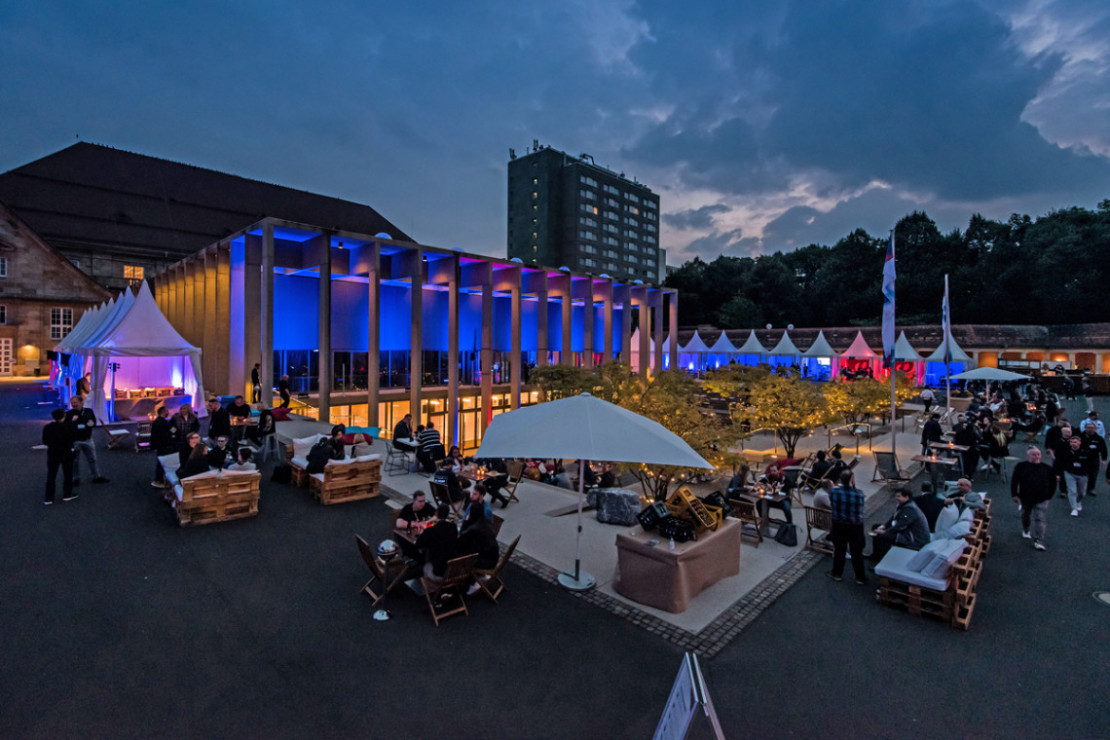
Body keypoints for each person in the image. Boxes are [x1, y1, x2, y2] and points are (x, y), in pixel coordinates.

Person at [867, 487, 931, 562]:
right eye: (896, 496)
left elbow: (900, 526)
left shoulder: (910, 509)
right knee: (876, 526)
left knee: (883, 536)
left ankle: (881, 560)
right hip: (908, 532)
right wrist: (884, 526)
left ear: (906, 497)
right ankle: (875, 555)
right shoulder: (904, 505)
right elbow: (894, 517)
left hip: (914, 538)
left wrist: (885, 531)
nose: (896, 498)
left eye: (898, 496)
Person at [827, 471, 866, 585]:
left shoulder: (834, 492)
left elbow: (832, 503)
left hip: (839, 524)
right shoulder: (859, 494)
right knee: (857, 551)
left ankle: (837, 573)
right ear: (851, 480)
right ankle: (860, 576)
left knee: (839, 549)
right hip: (855, 526)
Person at [414, 504, 459, 603]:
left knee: (426, 564)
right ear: (447, 515)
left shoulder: (431, 531)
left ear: (436, 514)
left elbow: (419, 544)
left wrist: (423, 531)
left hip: (438, 571)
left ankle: (433, 593)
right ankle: (445, 591)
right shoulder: (453, 527)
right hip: (452, 569)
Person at [1012, 446, 1054, 551]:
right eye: (1033, 454)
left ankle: (1038, 540)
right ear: (1028, 455)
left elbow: (1053, 483)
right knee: (1026, 514)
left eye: (1038, 454)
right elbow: (1014, 481)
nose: (1036, 456)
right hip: (1026, 497)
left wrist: (1049, 496)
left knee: (1040, 518)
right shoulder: (1021, 467)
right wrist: (1014, 494)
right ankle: (1026, 529)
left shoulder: (1047, 468)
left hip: (1042, 498)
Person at [65, 395, 108, 485]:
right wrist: (72, 421)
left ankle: (96, 476)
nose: (74, 405)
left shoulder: (88, 412)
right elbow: (66, 427)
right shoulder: (69, 414)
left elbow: (94, 422)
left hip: (87, 439)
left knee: (92, 459)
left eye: (75, 403)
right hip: (75, 440)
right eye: (72, 403)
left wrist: (91, 424)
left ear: (81, 402)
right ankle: (75, 478)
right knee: (75, 461)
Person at [458, 504, 500, 593]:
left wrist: (466, 522)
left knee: (463, 554)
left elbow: (462, 541)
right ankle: (481, 575)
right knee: (473, 547)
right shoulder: (486, 522)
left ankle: (472, 583)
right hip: (493, 557)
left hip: (486, 562)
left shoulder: (474, 529)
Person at [43, 408, 76, 504]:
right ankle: (67, 494)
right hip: (66, 453)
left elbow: (45, 441)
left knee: (51, 475)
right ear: (64, 416)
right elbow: (73, 438)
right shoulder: (68, 426)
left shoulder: (48, 427)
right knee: (68, 474)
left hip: (53, 453)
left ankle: (49, 498)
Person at [1058, 434, 1093, 517]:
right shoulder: (1066, 452)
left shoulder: (1086, 453)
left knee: (1082, 492)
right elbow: (1060, 462)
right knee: (1072, 491)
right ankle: (1074, 508)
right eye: (1072, 442)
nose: (1073, 443)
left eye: (1075, 442)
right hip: (1070, 473)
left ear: (1079, 443)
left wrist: (1089, 473)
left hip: (1083, 475)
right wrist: (1059, 473)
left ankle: (1078, 501)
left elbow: (1091, 464)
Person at [1079, 421, 1106, 496]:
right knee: (1081, 474)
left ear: (1095, 429)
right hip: (1081, 459)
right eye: (1088, 428)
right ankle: (1080, 487)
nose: (1090, 429)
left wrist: (1104, 459)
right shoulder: (1079, 437)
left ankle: (1090, 488)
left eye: (1092, 428)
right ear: (1085, 428)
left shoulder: (1099, 439)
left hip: (1093, 459)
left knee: (1093, 475)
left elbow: (1103, 449)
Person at [150, 405, 176, 488]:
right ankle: (159, 480)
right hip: (163, 446)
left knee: (160, 462)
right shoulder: (162, 423)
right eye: (167, 411)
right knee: (162, 463)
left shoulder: (158, 421)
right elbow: (165, 435)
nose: (168, 412)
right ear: (163, 412)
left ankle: (159, 479)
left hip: (159, 446)